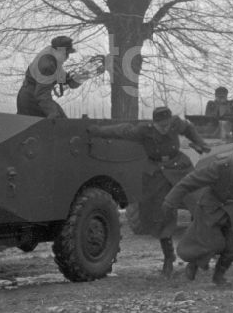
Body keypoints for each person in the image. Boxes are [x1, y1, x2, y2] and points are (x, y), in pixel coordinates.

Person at [89, 106, 211, 277]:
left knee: (200, 203)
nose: (165, 129)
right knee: (160, 215)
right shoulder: (143, 131)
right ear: (154, 124)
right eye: (161, 126)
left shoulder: (176, 123)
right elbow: (122, 131)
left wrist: (200, 142)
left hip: (179, 168)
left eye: (167, 125)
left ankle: (199, 256)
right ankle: (169, 258)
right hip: (157, 173)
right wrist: (97, 131)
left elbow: (189, 129)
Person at [161, 140, 233, 287]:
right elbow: (189, 182)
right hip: (212, 208)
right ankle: (194, 263)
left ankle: (219, 276)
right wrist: (170, 201)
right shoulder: (219, 168)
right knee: (213, 243)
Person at [16, 36, 81, 118]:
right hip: (31, 100)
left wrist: (74, 79)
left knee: (61, 121)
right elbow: (42, 95)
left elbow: (60, 75)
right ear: (59, 51)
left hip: (32, 96)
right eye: (66, 53)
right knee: (59, 123)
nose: (67, 57)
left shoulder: (52, 55)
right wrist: (53, 114)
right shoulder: (47, 65)